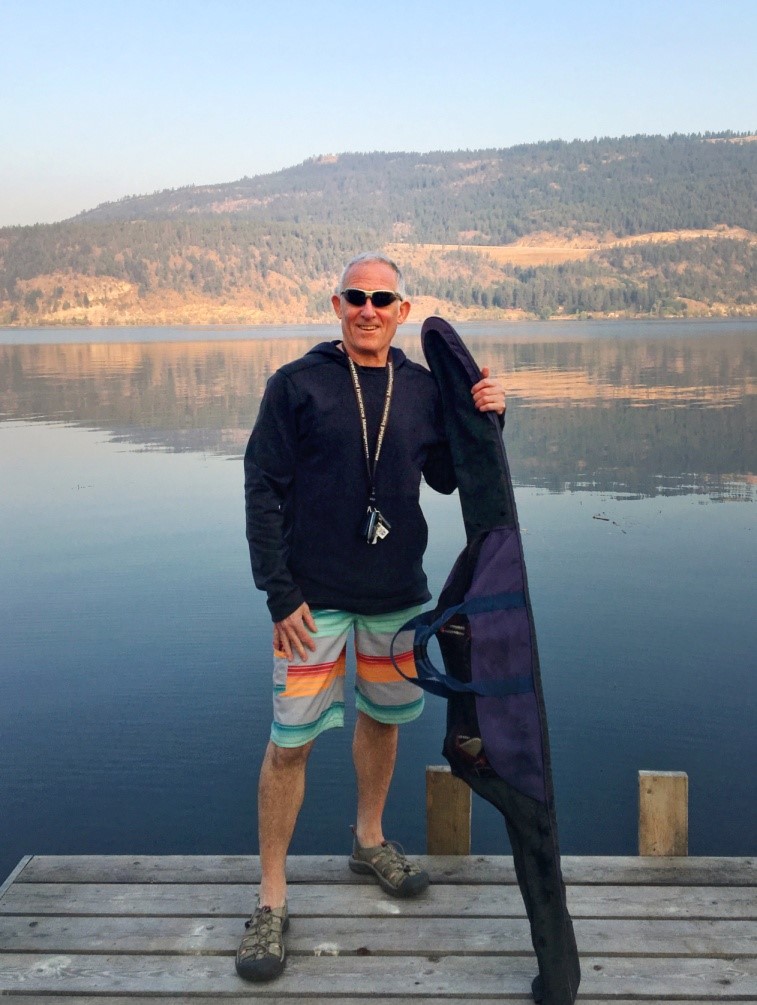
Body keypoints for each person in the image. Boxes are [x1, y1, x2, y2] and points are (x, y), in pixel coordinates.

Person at [237, 252, 505, 982]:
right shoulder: (296, 384)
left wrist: (487, 415)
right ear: (336, 305)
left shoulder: (420, 389)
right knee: (289, 743)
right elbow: (261, 487)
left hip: (396, 594)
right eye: (355, 296)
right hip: (310, 602)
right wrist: (278, 593)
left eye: (382, 299)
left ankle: (369, 839)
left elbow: (449, 476)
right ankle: (271, 898)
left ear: (401, 310)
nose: (368, 309)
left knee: (384, 720)